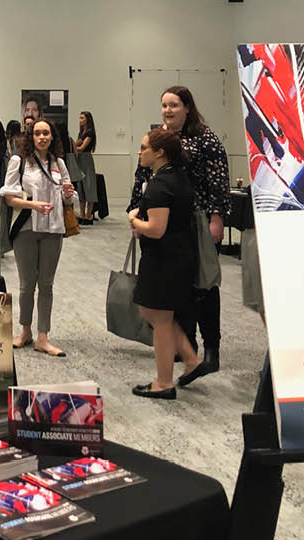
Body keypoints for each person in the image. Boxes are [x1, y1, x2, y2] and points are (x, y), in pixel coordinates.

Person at [127, 86, 229, 375]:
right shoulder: (159, 137)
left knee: (205, 284)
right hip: (166, 221)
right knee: (178, 287)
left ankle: (211, 348)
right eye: (164, 105)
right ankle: (187, 348)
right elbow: (143, 176)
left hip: (198, 219)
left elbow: (218, 181)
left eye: (174, 105)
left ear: (187, 107)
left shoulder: (205, 138)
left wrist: (217, 218)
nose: (168, 111)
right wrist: (136, 210)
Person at [128, 129, 209, 399]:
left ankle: (164, 382)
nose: (140, 153)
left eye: (144, 148)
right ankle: (190, 359)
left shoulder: (161, 183)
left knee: (159, 319)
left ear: (159, 153)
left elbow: (156, 228)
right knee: (155, 314)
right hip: (175, 256)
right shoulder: (177, 177)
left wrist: (134, 220)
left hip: (164, 259)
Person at [0, 119, 75, 357]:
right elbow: (9, 197)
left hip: (53, 228)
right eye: (38, 133)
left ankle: (43, 336)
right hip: (26, 227)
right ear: (30, 136)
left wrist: (68, 194)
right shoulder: (19, 161)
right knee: (26, 284)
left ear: (52, 137)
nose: (42, 137)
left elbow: (68, 200)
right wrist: (32, 204)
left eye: (46, 133)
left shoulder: (59, 163)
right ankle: (25, 331)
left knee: (47, 284)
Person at [74, 111, 98, 222]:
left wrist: (73, 148)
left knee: (89, 186)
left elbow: (82, 147)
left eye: (82, 118)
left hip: (86, 160)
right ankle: (82, 214)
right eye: (79, 118)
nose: (80, 120)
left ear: (87, 119)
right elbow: (76, 143)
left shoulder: (90, 133)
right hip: (79, 160)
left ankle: (88, 215)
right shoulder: (82, 133)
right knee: (81, 188)